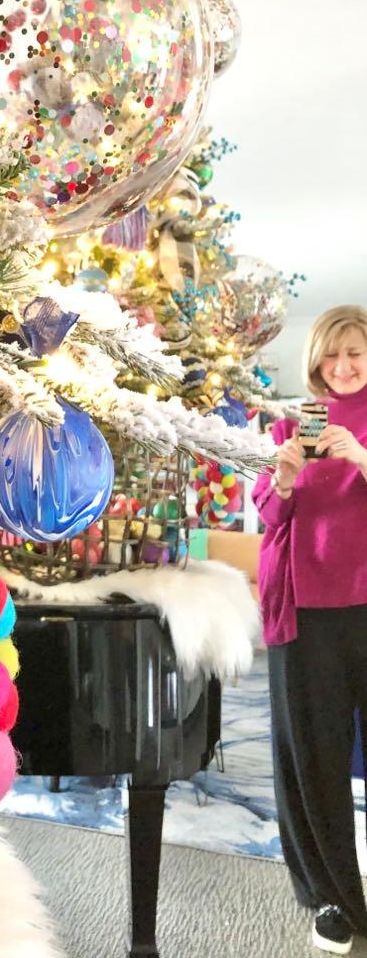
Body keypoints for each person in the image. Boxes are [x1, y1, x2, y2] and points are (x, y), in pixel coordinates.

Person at [254, 305, 367, 955]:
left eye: (355, 353)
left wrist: (361, 456)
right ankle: (331, 898)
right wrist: (286, 476)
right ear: (316, 362)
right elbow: (268, 512)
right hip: (303, 607)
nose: (343, 367)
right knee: (312, 760)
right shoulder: (291, 422)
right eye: (332, 356)